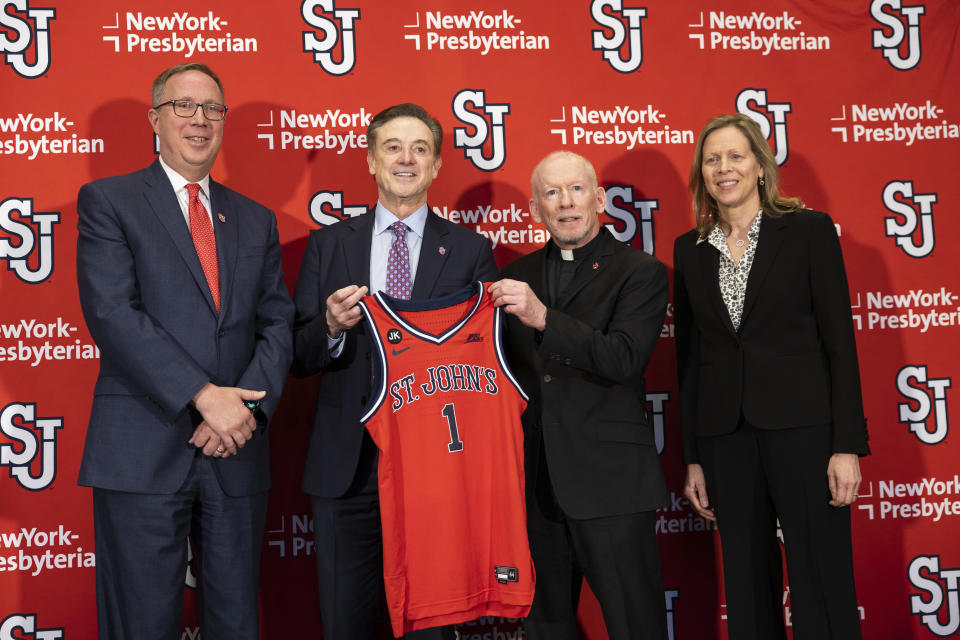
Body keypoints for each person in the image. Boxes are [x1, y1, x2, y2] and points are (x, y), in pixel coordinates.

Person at [75, 62, 294, 639]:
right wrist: (203, 397)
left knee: (237, 623)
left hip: (236, 451)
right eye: (184, 106)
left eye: (213, 109)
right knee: (140, 624)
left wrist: (241, 412)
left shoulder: (255, 218)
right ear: (155, 118)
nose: (200, 120)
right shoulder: (109, 201)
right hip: (144, 447)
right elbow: (113, 314)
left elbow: (277, 323)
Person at [292, 103, 498, 639]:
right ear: (371, 162)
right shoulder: (327, 245)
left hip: (436, 470)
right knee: (346, 623)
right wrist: (332, 328)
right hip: (348, 465)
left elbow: (482, 367)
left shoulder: (473, 251)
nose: (405, 159)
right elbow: (297, 353)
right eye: (392, 147)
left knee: (430, 626)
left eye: (420, 149)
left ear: (435, 167)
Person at [673, 113, 869, 640]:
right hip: (725, 438)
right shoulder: (688, 250)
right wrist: (693, 455)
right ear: (702, 173)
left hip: (804, 430)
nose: (724, 168)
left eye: (736, 156)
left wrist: (846, 443)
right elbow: (690, 360)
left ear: (759, 165)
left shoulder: (807, 231)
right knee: (745, 580)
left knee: (820, 574)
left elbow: (839, 343)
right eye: (712, 159)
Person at [489, 151, 670, 640]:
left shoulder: (641, 271)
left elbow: (623, 358)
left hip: (612, 485)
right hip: (535, 487)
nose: (565, 203)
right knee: (546, 629)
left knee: (637, 627)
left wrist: (545, 318)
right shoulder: (515, 276)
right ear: (534, 209)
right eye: (551, 193)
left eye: (575, 190)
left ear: (599, 198)